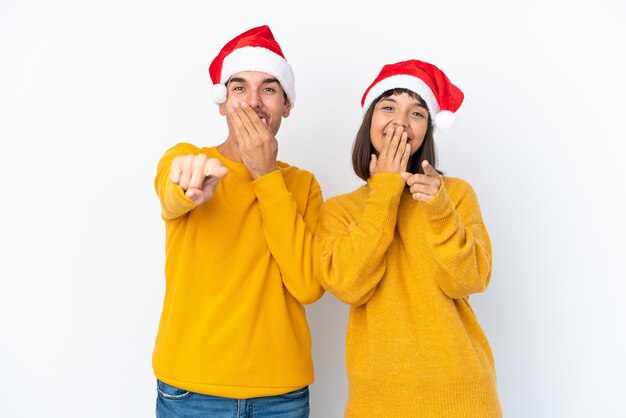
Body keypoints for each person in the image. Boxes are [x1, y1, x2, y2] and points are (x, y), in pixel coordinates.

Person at [313, 59, 502, 417]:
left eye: (416, 113)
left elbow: (470, 279)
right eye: (388, 107)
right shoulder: (341, 210)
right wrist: (384, 190)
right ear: (369, 121)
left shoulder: (455, 195)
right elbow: (349, 284)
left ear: (427, 130)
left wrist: (439, 210)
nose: (400, 120)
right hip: (378, 402)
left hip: (463, 397)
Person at [152, 25, 324, 418]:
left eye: (268, 88)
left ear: (286, 105)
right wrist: (189, 187)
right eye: (239, 87)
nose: (253, 101)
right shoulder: (187, 158)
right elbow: (171, 190)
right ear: (222, 102)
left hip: (281, 395)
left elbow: (308, 286)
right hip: (190, 391)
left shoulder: (302, 184)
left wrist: (266, 176)